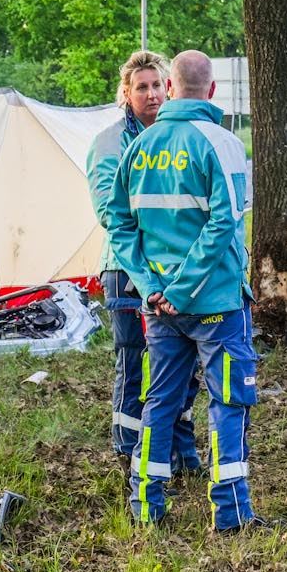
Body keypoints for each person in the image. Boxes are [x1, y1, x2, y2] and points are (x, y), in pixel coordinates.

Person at [106, 50, 269, 533]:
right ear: (212, 90)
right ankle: (231, 511)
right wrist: (182, 287)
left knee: (159, 400)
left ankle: (145, 505)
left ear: (171, 89)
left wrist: (153, 286)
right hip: (216, 303)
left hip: (158, 307)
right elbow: (226, 221)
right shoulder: (222, 142)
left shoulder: (140, 146)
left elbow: (116, 222)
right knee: (228, 402)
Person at [85, 51, 203, 476]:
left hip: (175, 273)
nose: (151, 94)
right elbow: (109, 212)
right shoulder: (111, 142)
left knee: (181, 364)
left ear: (169, 88)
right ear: (126, 93)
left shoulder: (179, 136)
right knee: (135, 361)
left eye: (157, 85)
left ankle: (180, 452)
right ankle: (130, 453)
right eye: (142, 87)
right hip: (127, 270)